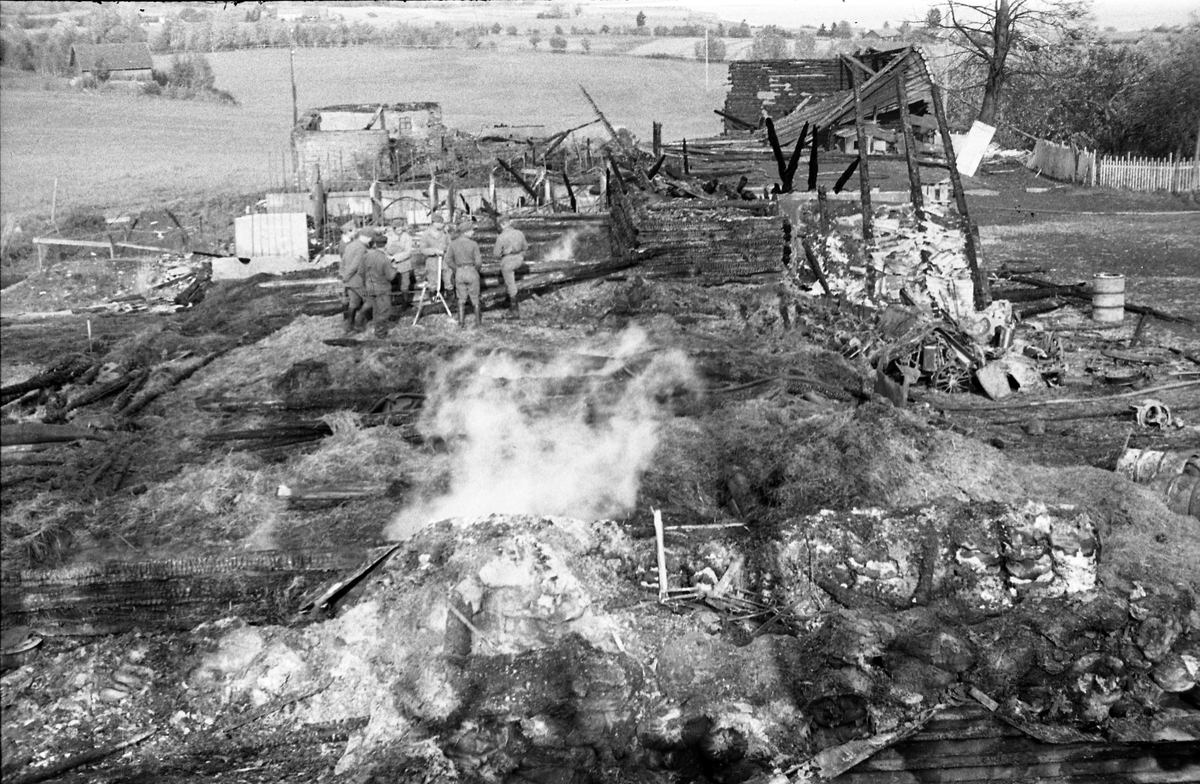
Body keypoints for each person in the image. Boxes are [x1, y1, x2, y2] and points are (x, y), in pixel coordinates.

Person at [445, 222, 483, 328]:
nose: (473, 232)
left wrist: (456, 269)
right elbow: (479, 262)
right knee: (475, 297)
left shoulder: (453, 244)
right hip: (471, 271)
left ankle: (461, 323)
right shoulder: (473, 244)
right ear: (466, 232)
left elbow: (448, 259)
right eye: (471, 230)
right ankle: (478, 323)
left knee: (461, 298)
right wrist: (476, 270)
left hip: (459, 272)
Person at [362, 232, 398, 338]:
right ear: (385, 245)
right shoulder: (385, 259)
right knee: (384, 311)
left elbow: (361, 270)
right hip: (382, 288)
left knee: (375, 310)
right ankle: (380, 334)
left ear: (375, 244)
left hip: (370, 286)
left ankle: (375, 330)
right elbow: (391, 277)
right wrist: (394, 268)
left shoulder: (366, 256)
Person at [493, 214, 529, 318]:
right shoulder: (519, 233)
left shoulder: (501, 237)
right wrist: (520, 256)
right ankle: (508, 300)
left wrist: (504, 254)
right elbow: (525, 248)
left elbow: (496, 254)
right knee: (510, 280)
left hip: (508, 261)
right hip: (519, 259)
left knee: (510, 283)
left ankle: (514, 310)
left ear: (502, 224)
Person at [340, 226, 372, 333]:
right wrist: (347, 276)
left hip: (349, 281)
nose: (371, 240)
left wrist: (343, 275)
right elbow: (355, 265)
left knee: (353, 303)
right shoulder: (361, 249)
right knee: (371, 301)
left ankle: (349, 325)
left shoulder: (350, 245)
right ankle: (358, 323)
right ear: (365, 237)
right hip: (357, 281)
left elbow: (343, 262)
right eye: (370, 238)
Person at [419, 214, 451, 298]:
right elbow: (423, 249)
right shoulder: (426, 234)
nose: (442, 225)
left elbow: (450, 245)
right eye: (440, 223)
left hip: (444, 261)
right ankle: (434, 303)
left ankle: (450, 303)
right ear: (434, 223)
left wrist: (446, 252)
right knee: (433, 283)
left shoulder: (445, 233)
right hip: (432, 261)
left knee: (448, 281)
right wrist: (434, 251)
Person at [385, 220, 415, 310]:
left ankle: (405, 305)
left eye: (401, 227)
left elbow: (408, 252)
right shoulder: (387, 237)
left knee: (405, 285)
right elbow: (384, 249)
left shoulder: (407, 237)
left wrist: (395, 257)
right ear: (393, 228)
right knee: (388, 284)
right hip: (390, 265)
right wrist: (389, 258)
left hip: (404, 264)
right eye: (397, 228)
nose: (399, 229)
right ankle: (388, 305)